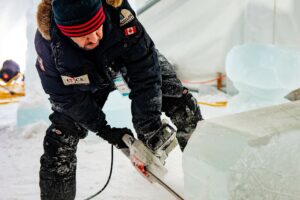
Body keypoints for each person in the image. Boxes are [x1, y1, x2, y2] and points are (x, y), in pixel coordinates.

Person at [35, 0, 203, 199]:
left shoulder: (121, 15)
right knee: (59, 140)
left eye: (96, 28)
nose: (93, 38)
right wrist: (106, 131)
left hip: (123, 63)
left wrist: (147, 126)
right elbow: (67, 99)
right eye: (82, 35)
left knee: (181, 103)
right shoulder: (48, 47)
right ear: (65, 32)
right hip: (85, 81)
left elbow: (146, 73)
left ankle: (206, 180)